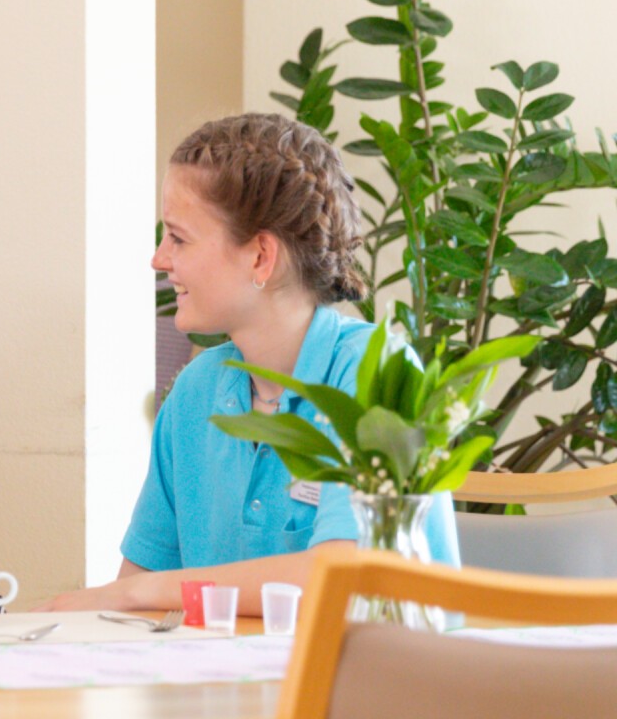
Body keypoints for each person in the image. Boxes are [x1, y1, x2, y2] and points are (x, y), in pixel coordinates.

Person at [39, 113, 459, 616]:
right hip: (222, 690)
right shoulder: (196, 391)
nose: (158, 259)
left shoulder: (378, 372)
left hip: (363, 689)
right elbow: (136, 596)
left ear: (261, 257)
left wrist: (136, 593)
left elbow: (341, 577)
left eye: (178, 237)